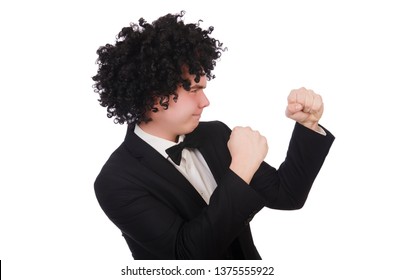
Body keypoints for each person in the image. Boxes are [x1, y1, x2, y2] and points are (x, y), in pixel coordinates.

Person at [92, 11, 334, 260]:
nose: (205, 101)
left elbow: (287, 195)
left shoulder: (215, 135)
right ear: (154, 94)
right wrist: (240, 170)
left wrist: (308, 125)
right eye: (194, 90)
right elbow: (187, 257)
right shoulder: (115, 182)